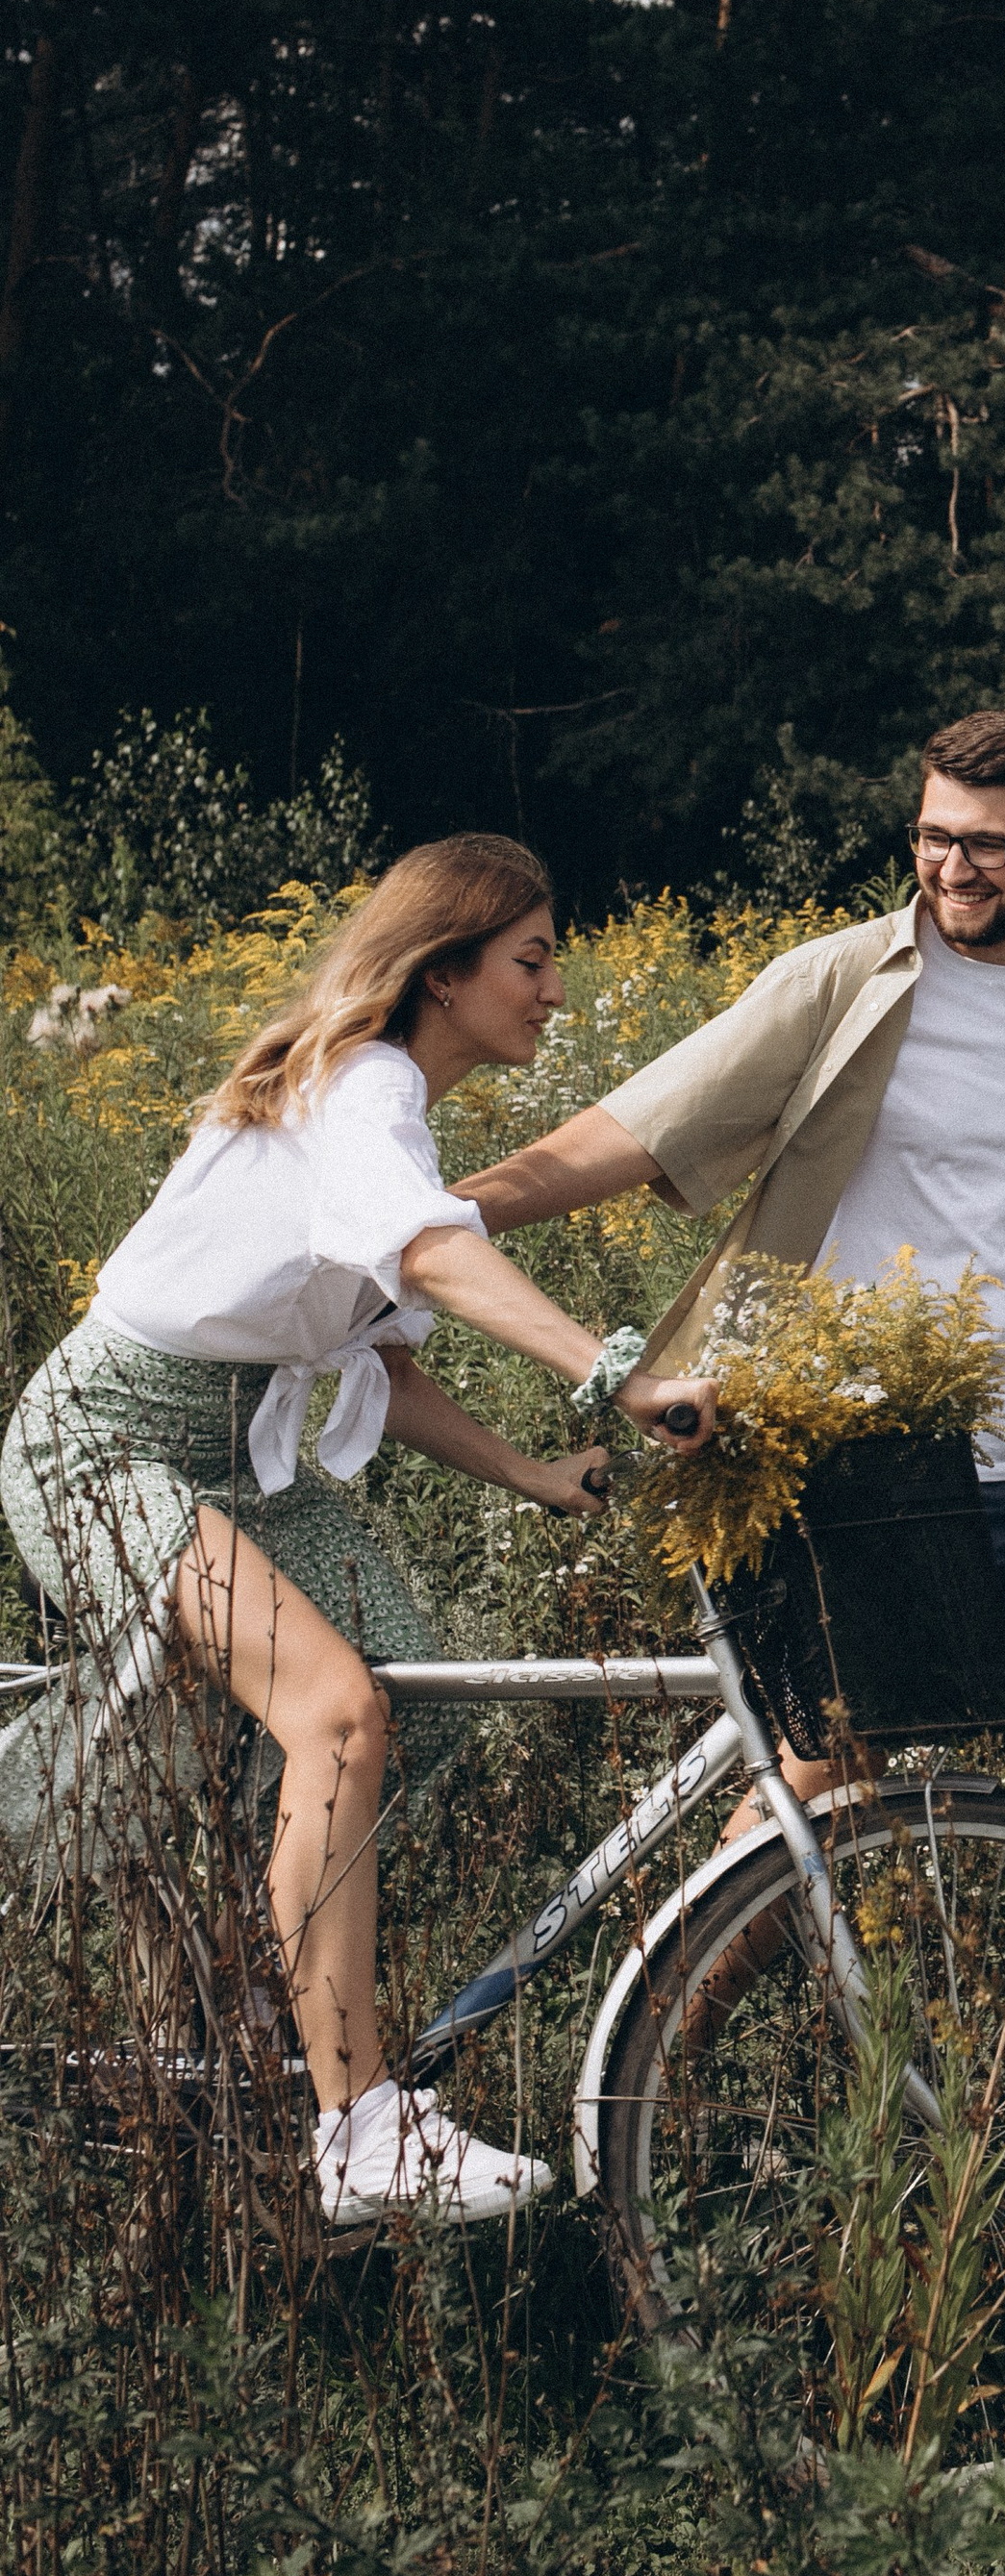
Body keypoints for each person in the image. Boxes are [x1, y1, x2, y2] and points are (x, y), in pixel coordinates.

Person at [460, 713, 1005, 1915]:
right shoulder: (841, 981)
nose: (955, 869)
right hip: (864, 1449)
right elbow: (637, 1132)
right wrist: (445, 1220)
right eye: (933, 838)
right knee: (829, 1771)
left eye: (990, 847)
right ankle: (667, 2059)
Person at [0, 837, 716, 2228]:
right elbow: (439, 1257)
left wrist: (536, 1474)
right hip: (102, 1444)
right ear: (444, 970)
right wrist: (614, 1377)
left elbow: (382, 1361)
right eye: (532, 960)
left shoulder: (392, 1104)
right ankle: (360, 2128)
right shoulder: (366, 1087)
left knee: (409, 1711)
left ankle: (220, 2002)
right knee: (336, 1717)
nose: (556, 991)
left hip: (235, 1460)